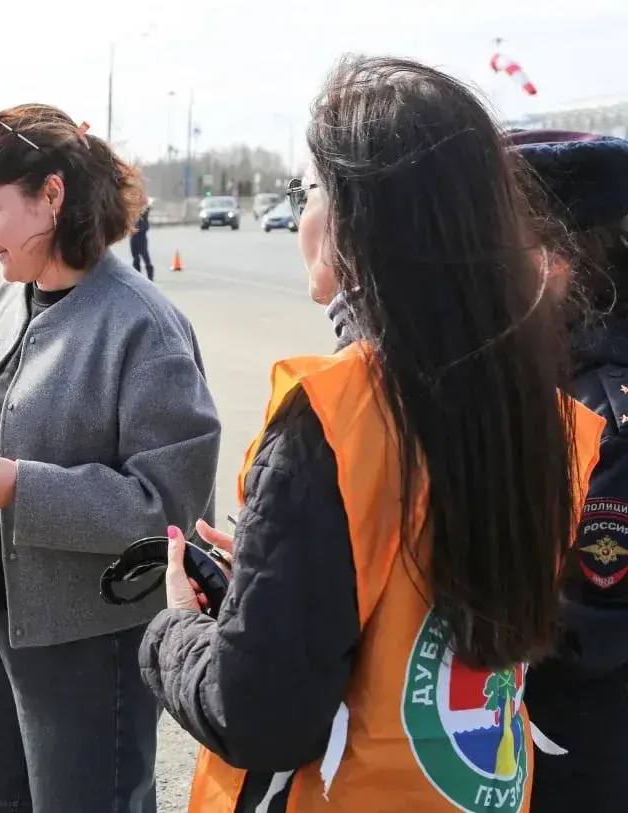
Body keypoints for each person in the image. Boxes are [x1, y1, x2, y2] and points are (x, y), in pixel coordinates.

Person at [139, 57, 604, 813]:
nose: (299, 216)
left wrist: (175, 629)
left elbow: (258, 714)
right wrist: (268, 576)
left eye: (307, 193)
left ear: (357, 219)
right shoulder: (546, 411)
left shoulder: (335, 417)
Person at [0, 104, 221, 812]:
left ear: (52, 195)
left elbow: (170, 508)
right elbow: (8, 434)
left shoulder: (143, 326)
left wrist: (23, 490)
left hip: (87, 644)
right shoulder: (13, 296)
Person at [507, 130, 628, 813]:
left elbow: (589, 624)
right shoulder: (554, 376)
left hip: (573, 753)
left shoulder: (603, 412)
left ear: (555, 263)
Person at [131, 197, 154, 280]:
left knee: (145, 256)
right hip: (133, 237)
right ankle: (138, 277)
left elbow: (147, 208)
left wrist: (148, 203)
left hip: (141, 237)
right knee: (135, 258)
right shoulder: (132, 213)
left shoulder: (144, 214)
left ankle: (150, 277)